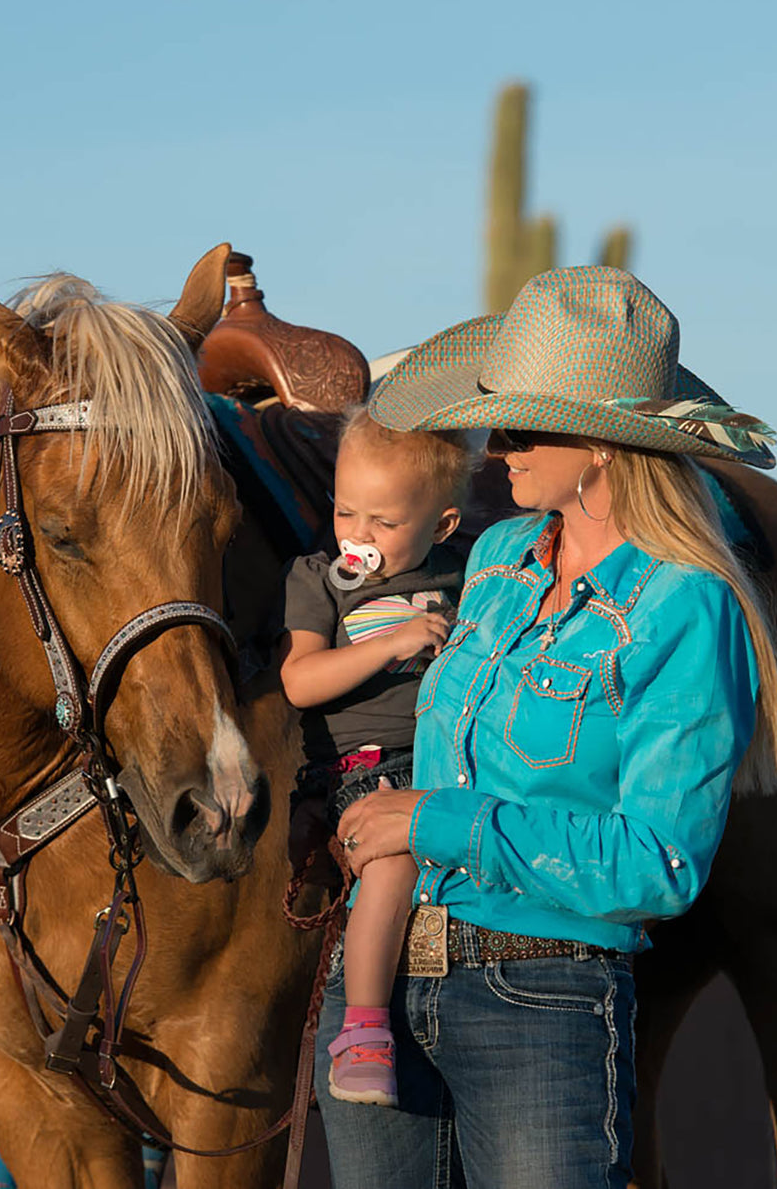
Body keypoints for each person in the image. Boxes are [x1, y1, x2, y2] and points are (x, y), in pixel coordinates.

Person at [313, 266, 777, 1187]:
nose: (497, 443)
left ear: (606, 443)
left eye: (525, 421)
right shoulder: (494, 558)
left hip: (541, 999)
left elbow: (659, 863)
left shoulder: (686, 608)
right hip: (375, 992)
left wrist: (432, 823)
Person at [280, 408, 471, 1107]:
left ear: (442, 526)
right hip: (368, 769)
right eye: (345, 512)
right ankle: (362, 1031)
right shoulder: (321, 580)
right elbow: (300, 680)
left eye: (383, 524)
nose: (357, 537)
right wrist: (389, 644)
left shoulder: (470, 571)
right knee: (389, 870)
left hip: (454, 764)